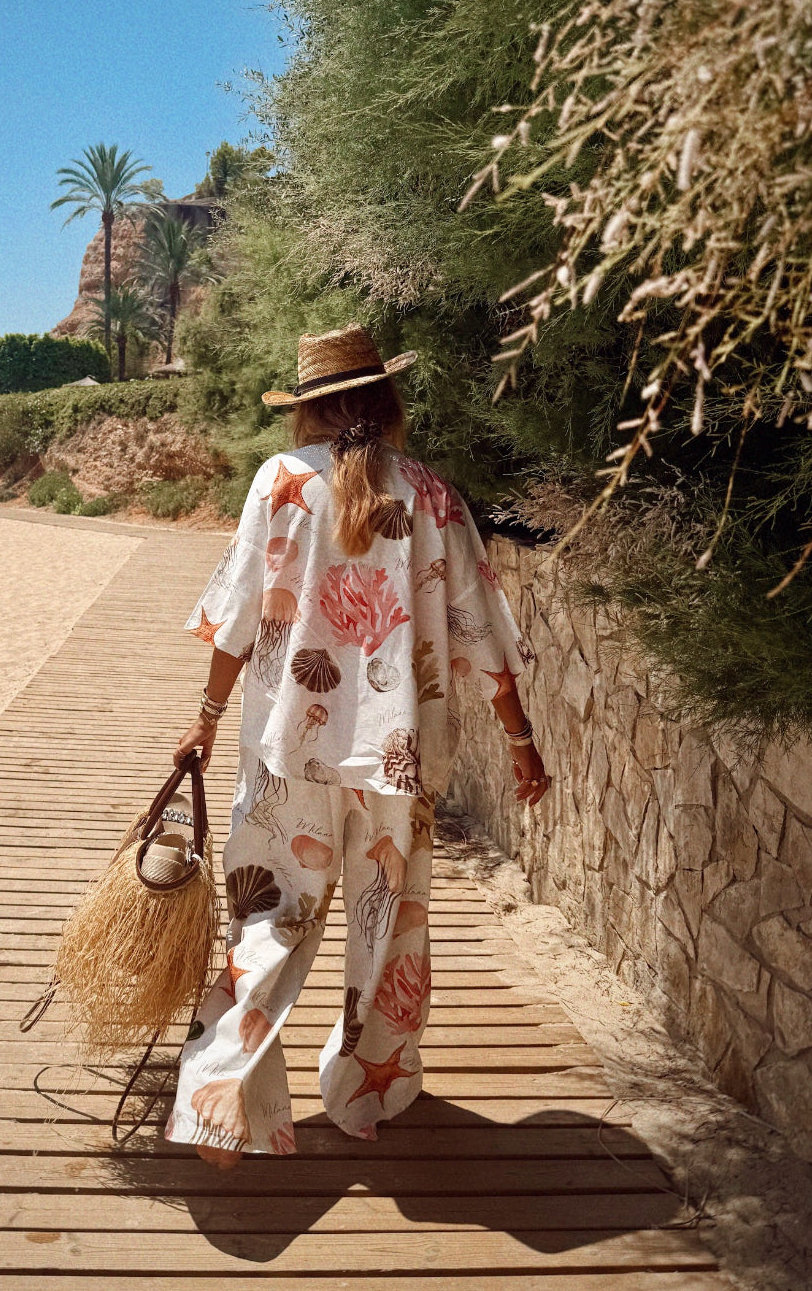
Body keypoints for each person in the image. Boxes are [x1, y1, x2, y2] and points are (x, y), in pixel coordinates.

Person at [167, 322, 548, 1168]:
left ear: (308, 410)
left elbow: (236, 614)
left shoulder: (277, 483)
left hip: (284, 747)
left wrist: (203, 715)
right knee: (390, 926)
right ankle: (365, 1090)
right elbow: (478, 627)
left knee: (270, 916)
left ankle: (221, 1099)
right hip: (397, 755)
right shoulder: (430, 494)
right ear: (386, 400)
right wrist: (519, 738)